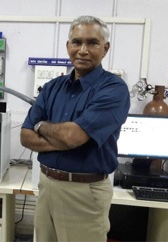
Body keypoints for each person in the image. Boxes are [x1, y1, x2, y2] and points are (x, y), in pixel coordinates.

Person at [21, 16, 130, 241]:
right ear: (68, 46)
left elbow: (72, 136)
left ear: (105, 48)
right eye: (76, 42)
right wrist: (64, 139)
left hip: (84, 192)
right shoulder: (53, 87)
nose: (83, 50)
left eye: (92, 43)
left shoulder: (113, 89)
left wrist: (41, 125)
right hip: (46, 185)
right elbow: (25, 136)